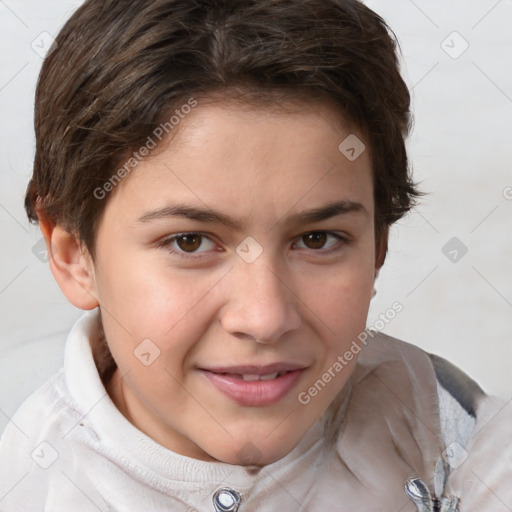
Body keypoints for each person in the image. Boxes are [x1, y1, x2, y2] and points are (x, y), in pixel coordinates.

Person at [0, 0, 510, 510]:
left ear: (379, 246)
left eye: (317, 239)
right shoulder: (25, 484)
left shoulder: (449, 429)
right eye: (190, 242)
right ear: (74, 257)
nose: (264, 319)